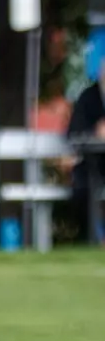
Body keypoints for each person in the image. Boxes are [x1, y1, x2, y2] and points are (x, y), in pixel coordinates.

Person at [66, 66, 105, 244]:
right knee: (85, 185)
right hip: (92, 165)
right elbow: (74, 134)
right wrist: (95, 132)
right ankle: (96, 238)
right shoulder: (88, 97)